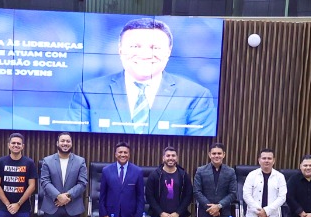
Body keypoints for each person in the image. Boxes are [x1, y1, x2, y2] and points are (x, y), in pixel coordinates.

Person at [68, 16, 217, 135]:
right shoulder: (87, 91)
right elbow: (76, 143)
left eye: (155, 47)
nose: (145, 54)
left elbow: (198, 150)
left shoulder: (196, 95)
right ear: (120, 50)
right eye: (135, 47)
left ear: (169, 51)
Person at [37, 133, 88, 217]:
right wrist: (58, 196)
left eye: (68, 141)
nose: (65, 143)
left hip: (73, 208)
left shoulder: (80, 161)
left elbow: (82, 183)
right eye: (62, 141)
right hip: (52, 207)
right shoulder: (47, 161)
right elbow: (45, 181)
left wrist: (67, 195)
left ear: (71, 144)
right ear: (57, 143)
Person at [0, 133, 40, 217]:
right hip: (4, 207)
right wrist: (8, 204)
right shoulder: (0, 162)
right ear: (9, 145)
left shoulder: (29, 163)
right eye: (13, 143)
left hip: (23, 208)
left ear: (22, 146)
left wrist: (18, 204)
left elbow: (32, 186)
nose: (16, 145)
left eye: (18, 143)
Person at [193, 143, 240, 217]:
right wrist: (211, 208)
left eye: (219, 153)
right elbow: (197, 192)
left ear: (224, 155)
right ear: (209, 155)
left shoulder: (230, 172)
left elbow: (233, 193)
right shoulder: (200, 171)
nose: (216, 156)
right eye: (214, 153)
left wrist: (218, 206)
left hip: (223, 215)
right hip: (205, 214)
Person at [98, 142, 147, 217]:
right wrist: (103, 213)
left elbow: (140, 196)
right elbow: (102, 195)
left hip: (130, 215)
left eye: (125, 152)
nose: (123, 155)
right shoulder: (106, 170)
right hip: (111, 215)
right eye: (120, 152)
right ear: (115, 154)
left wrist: (138, 214)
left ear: (129, 154)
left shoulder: (137, 171)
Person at [241, 149, 288, 217]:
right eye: (264, 158)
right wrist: (260, 212)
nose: (266, 161)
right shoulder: (251, 175)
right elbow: (246, 195)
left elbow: (282, 197)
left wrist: (266, 211)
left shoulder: (280, 177)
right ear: (259, 160)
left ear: (274, 161)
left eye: (269, 158)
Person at [146, 147, 193, 217]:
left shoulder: (183, 175)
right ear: (163, 158)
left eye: (173, 156)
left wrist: (177, 213)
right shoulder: (154, 175)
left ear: (177, 158)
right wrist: (161, 213)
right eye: (168, 156)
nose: (170, 158)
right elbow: (149, 196)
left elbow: (188, 196)